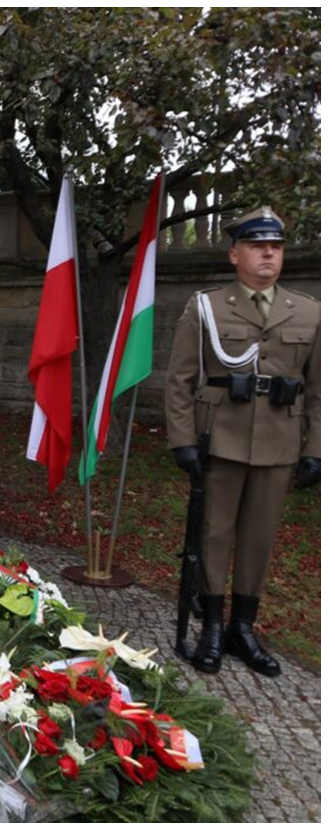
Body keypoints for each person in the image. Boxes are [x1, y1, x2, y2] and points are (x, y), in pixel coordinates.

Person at [164, 206, 320, 677]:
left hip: (279, 442)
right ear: (235, 254)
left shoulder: (312, 311)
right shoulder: (207, 307)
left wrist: (315, 451)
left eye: (275, 246)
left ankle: (242, 628)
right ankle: (211, 626)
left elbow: (320, 390)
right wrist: (183, 440)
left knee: (258, 539)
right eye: (257, 245)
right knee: (213, 533)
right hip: (222, 439)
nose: (268, 253)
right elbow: (180, 380)